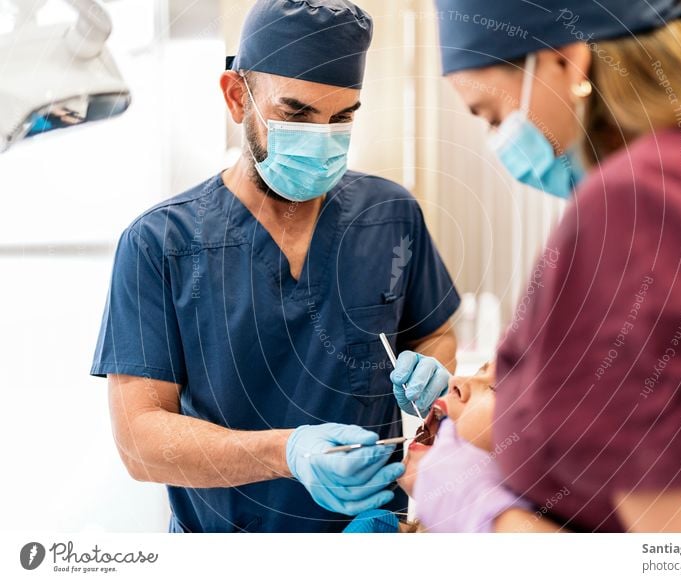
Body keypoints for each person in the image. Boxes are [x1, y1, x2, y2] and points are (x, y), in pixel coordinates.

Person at [411, 0, 681, 532]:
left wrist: (476, 510)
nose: (501, 142)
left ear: (566, 62)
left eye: (495, 114)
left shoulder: (648, 214)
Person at [90, 0, 459, 533]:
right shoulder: (159, 244)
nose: (322, 138)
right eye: (296, 114)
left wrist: (431, 371)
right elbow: (140, 442)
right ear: (237, 97)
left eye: (342, 118)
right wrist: (287, 453)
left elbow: (435, 333)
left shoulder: (390, 215)